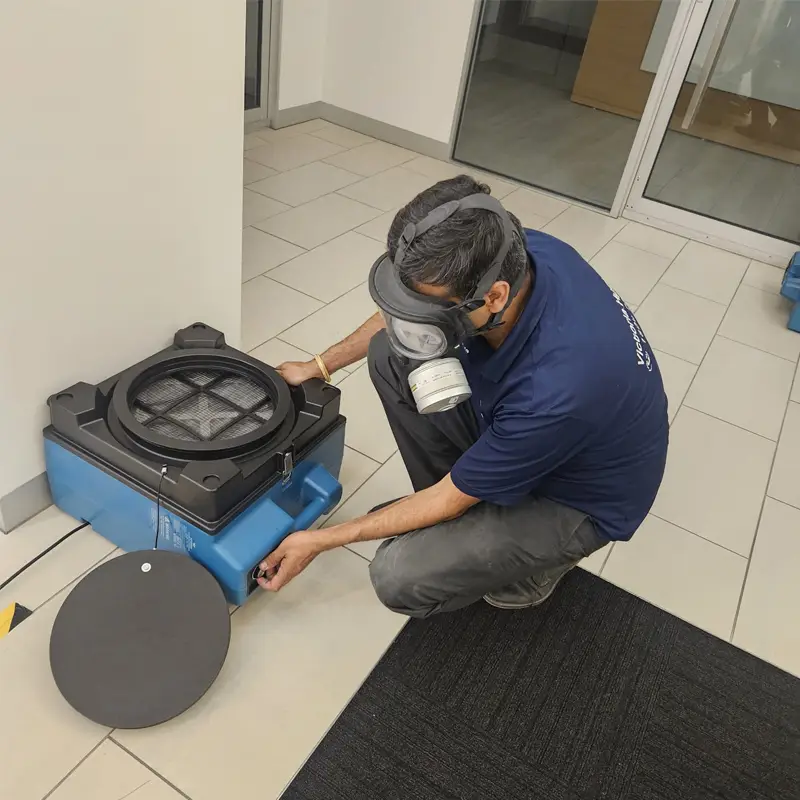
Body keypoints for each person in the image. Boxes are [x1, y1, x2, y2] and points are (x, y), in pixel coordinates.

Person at [258, 175, 669, 618]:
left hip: (575, 495)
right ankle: (465, 512)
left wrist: (319, 540)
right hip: (528, 426)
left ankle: (527, 565)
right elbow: (405, 311)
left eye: (431, 308)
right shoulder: (505, 251)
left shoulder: (557, 388)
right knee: (389, 354)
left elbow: (538, 408)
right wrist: (320, 365)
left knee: (398, 574)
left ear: (494, 297)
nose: (413, 314)